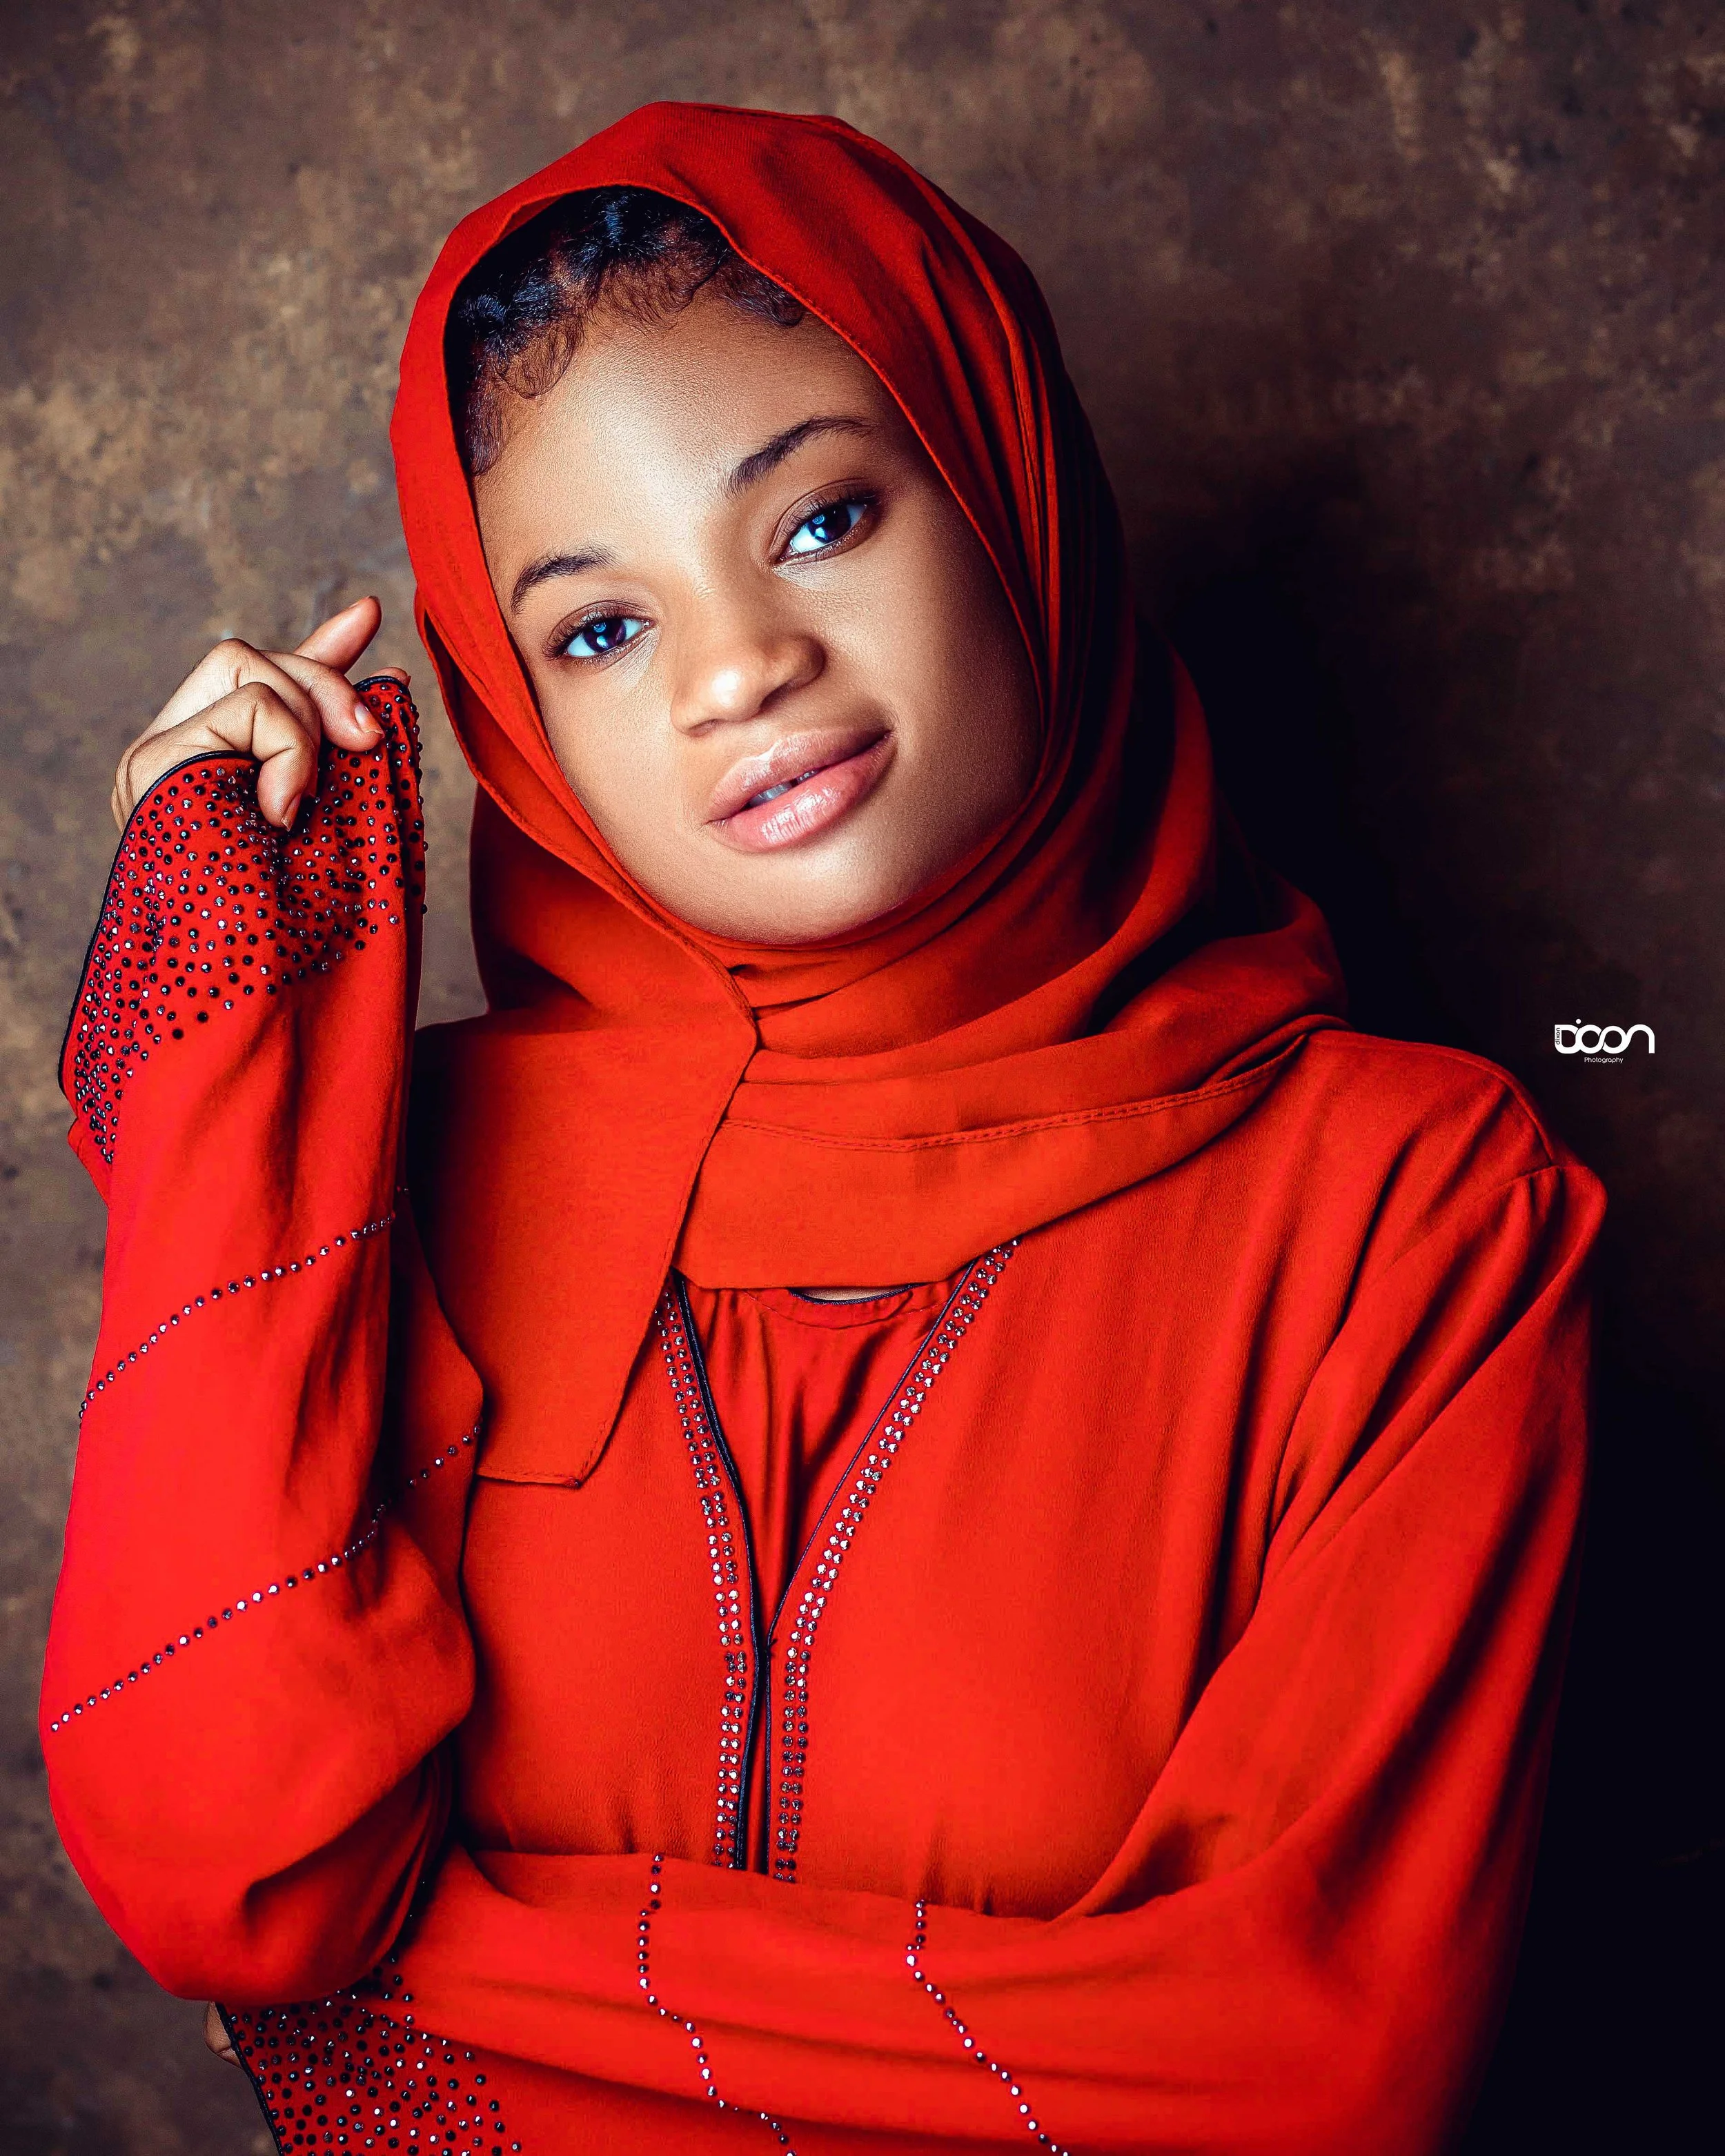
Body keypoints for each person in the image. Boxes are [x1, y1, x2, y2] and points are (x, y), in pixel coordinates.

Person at [43, 103, 1604, 2154]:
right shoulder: (399, 1181)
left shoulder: (1415, 1207)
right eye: (598, 628)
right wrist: (228, 1051)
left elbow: (1313, 2067)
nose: (739, 669)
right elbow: (229, 1873)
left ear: (1003, 488)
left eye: (818, 521)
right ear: (517, 716)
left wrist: (397, 2011)